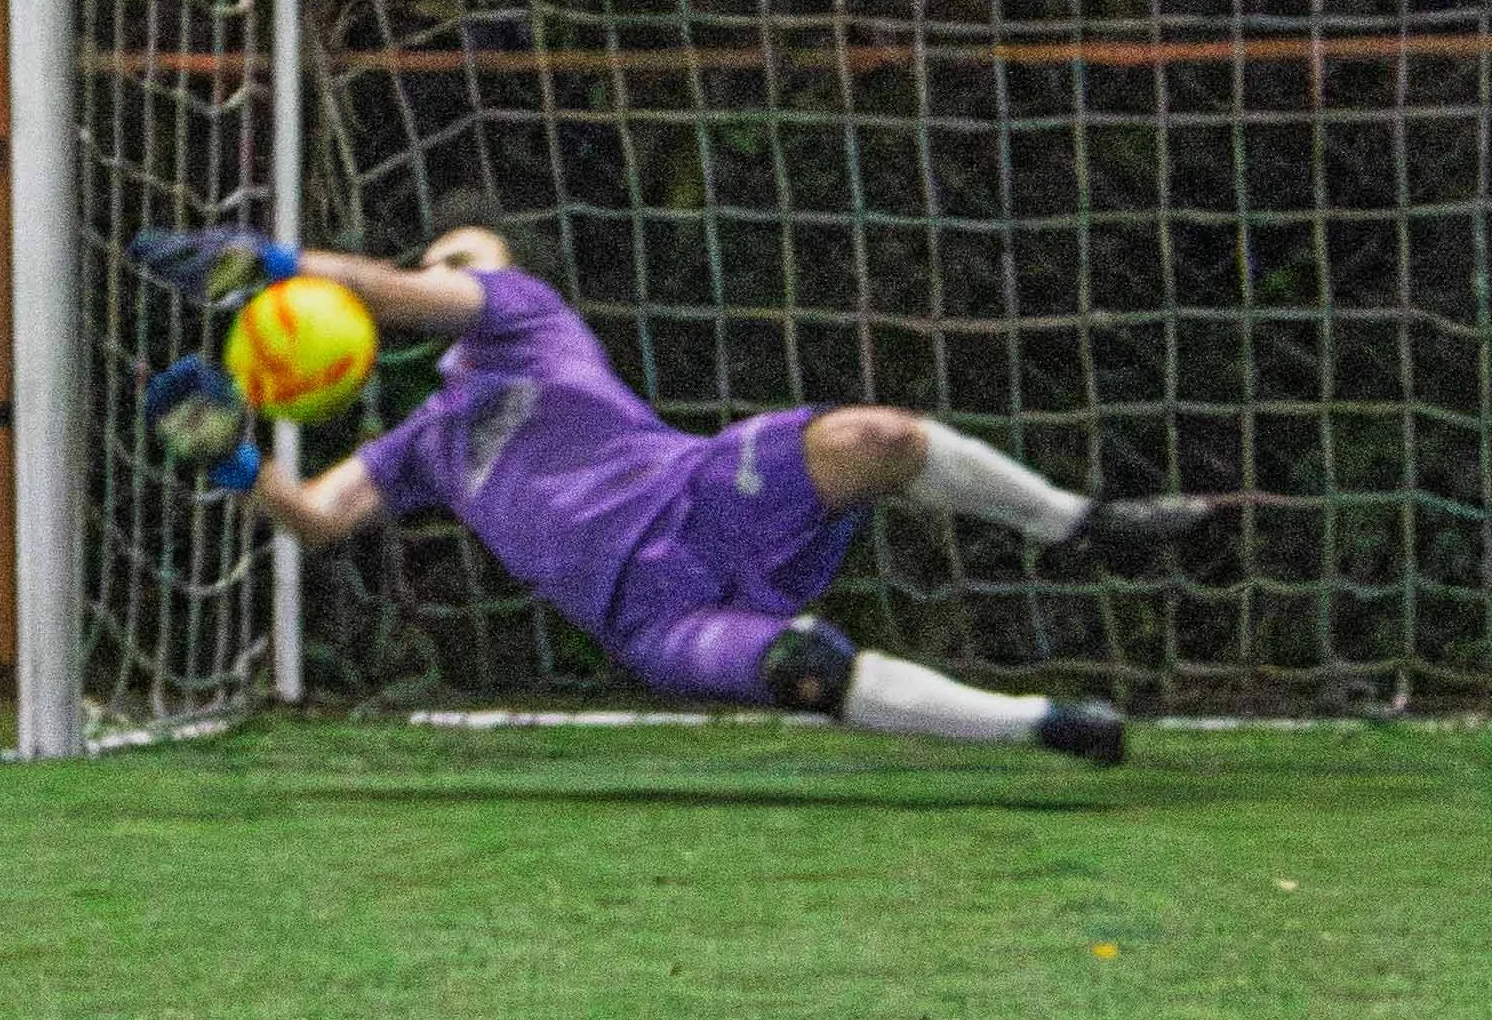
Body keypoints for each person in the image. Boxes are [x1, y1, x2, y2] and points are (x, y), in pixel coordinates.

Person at [138, 191, 1210, 763]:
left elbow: (392, 288)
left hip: (700, 493)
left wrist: (277, 266)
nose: (446, 276)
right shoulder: (424, 442)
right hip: (650, 612)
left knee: (876, 434)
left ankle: (1081, 521)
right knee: (804, 664)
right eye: (440, 259)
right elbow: (319, 516)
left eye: (465, 259)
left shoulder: (522, 316)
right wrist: (236, 459)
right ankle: (1046, 726)